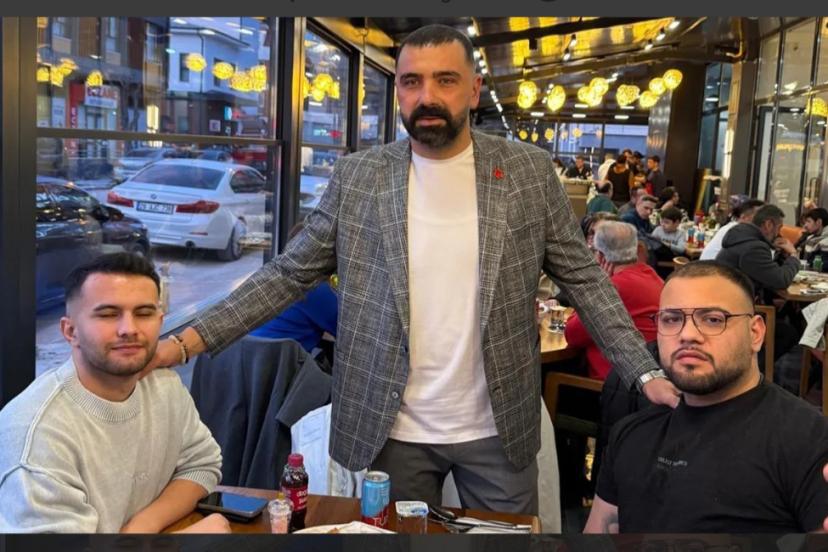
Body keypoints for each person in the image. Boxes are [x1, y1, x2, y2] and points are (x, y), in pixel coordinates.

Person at [148, 24, 678, 515]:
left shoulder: (527, 172)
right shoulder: (360, 177)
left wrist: (645, 371)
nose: (427, 96)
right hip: (390, 428)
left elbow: (584, 278)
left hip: (497, 427)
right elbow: (288, 274)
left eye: (445, 80)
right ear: (399, 90)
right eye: (411, 82)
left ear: (474, 90)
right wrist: (184, 343)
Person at [585, 261, 828, 533]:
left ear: (755, 333)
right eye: (672, 319)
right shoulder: (631, 433)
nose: (688, 335)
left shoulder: (809, 441)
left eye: (713, 319)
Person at [0, 253, 226, 533]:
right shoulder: (38, 437)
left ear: (160, 320)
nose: (129, 329)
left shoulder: (164, 386)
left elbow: (202, 464)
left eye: (143, 313)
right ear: (70, 331)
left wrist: (142, 527)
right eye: (108, 314)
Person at [565, 222, 663, 380]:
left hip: (613, 385)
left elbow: (572, 335)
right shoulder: (652, 276)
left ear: (600, 255)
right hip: (649, 377)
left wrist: (596, 286)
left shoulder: (612, 288)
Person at [249, 223, 338, 356]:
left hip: (249, 359)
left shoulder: (273, 277)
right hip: (281, 365)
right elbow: (352, 332)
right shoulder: (314, 289)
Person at [716, 204, 800, 301]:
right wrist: (794, 255)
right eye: (779, 228)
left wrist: (782, 255)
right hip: (733, 304)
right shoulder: (754, 248)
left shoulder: (743, 237)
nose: (778, 234)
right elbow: (781, 281)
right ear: (768, 225)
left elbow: (767, 274)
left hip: (725, 297)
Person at [700, 199, 764, 261]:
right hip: (711, 267)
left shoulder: (732, 227)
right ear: (743, 217)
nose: (763, 222)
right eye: (759, 217)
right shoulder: (738, 231)